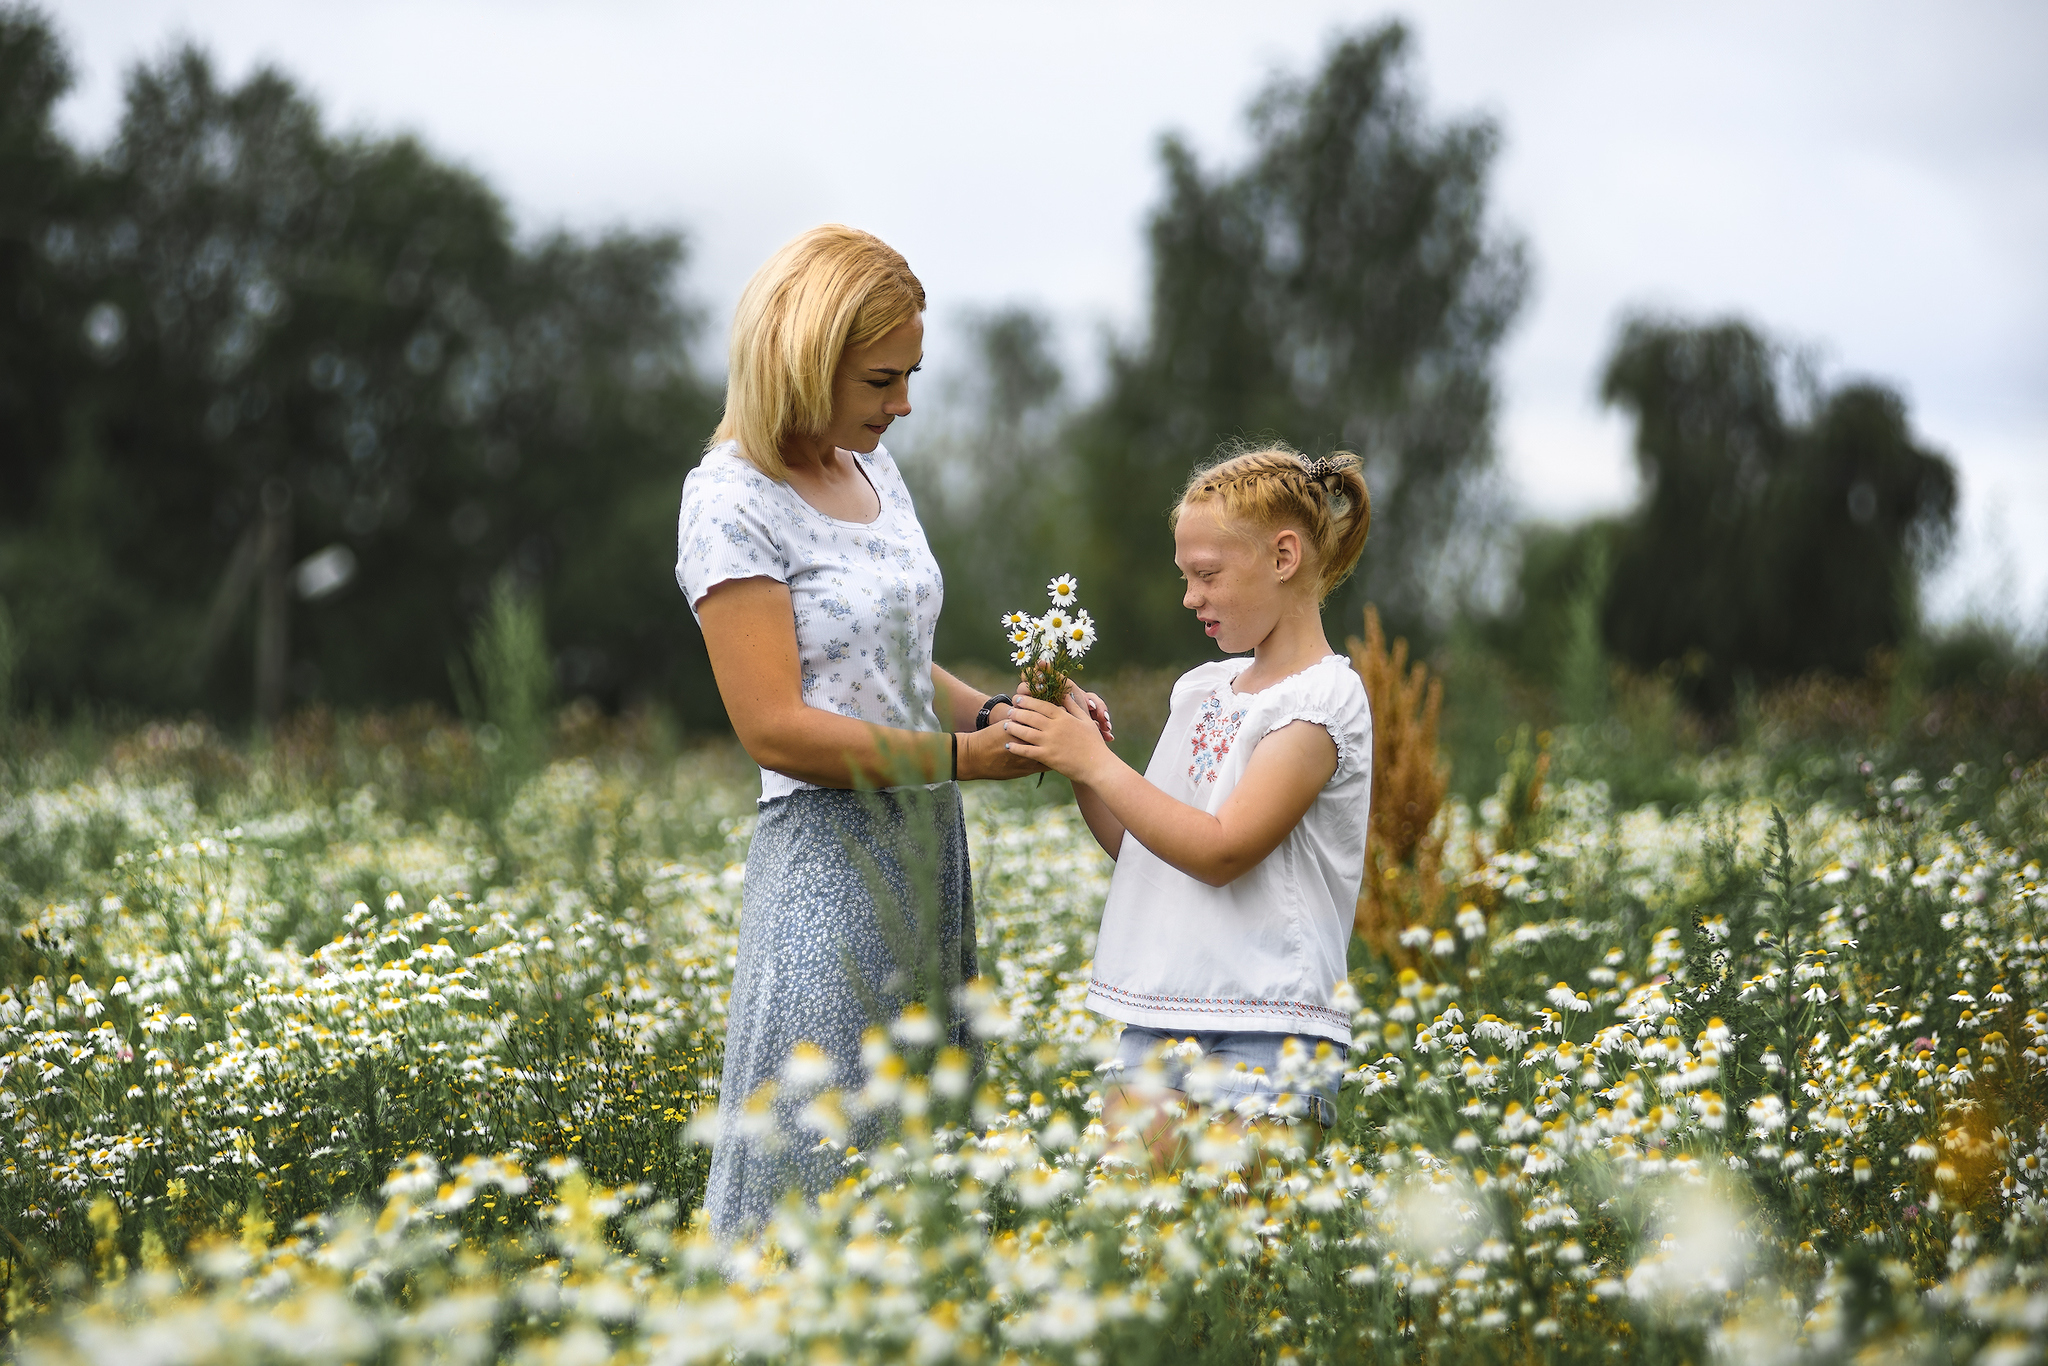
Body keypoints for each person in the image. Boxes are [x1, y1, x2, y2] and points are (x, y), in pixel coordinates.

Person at [675, 225, 1107, 1235]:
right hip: (827, 864)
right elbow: (776, 727)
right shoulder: (730, 499)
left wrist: (1010, 714)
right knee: (816, 1175)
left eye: (910, 374)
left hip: (925, 851)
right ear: (804, 358)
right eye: (881, 378)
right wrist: (967, 757)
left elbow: (894, 664)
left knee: (919, 1178)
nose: (901, 403)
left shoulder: (876, 472)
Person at [1001, 444, 1372, 1165]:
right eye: (1185, 577)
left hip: (1267, 1025)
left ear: (1284, 556)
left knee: (1238, 1264)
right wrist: (1079, 760)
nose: (1190, 597)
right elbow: (1145, 848)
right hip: (1155, 1018)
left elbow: (1222, 849)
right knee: (1142, 1254)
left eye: (1207, 575)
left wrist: (1098, 764)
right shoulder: (1202, 690)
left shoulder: (1323, 701)